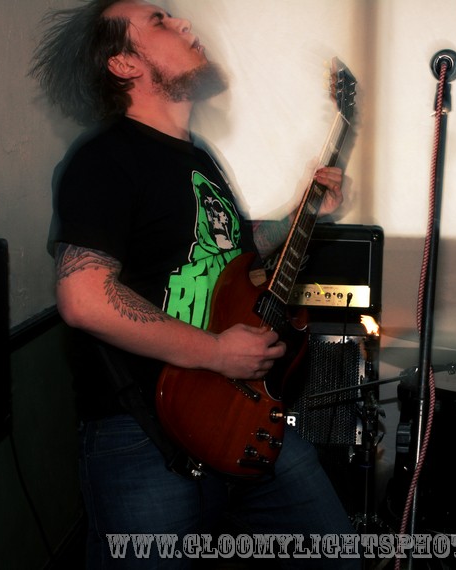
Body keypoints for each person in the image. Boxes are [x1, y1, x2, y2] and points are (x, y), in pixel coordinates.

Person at [30, 1, 358, 567]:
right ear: (124, 63)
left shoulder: (198, 158)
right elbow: (84, 297)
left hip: (243, 413)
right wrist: (216, 352)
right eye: (158, 21)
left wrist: (302, 212)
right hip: (141, 435)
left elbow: (235, 254)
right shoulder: (103, 158)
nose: (183, 23)